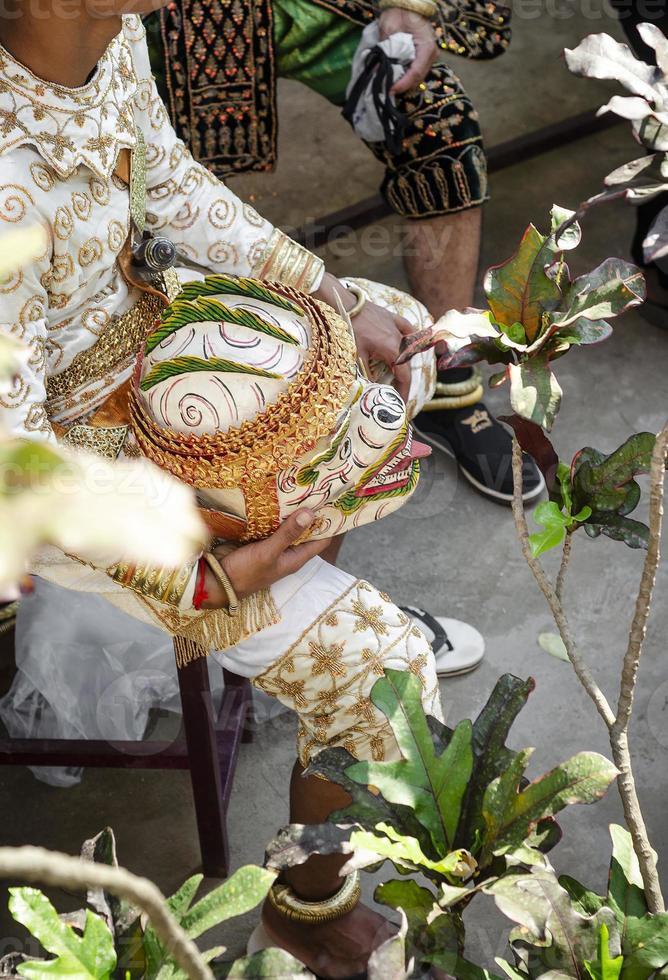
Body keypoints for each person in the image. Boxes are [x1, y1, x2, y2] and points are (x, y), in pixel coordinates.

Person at [0, 3, 474, 974]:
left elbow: (173, 189)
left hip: (147, 358)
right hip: (73, 475)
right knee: (383, 672)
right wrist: (206, 577)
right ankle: (307, 911)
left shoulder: (109, 38)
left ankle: (293, 645)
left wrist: (330, 298)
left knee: (376, 328)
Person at [153, 0, 545, 503]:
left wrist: (409, 6)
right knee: (169, 174)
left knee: (437, 119)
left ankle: (448, 379)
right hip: (165, 19)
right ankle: (207, 411)